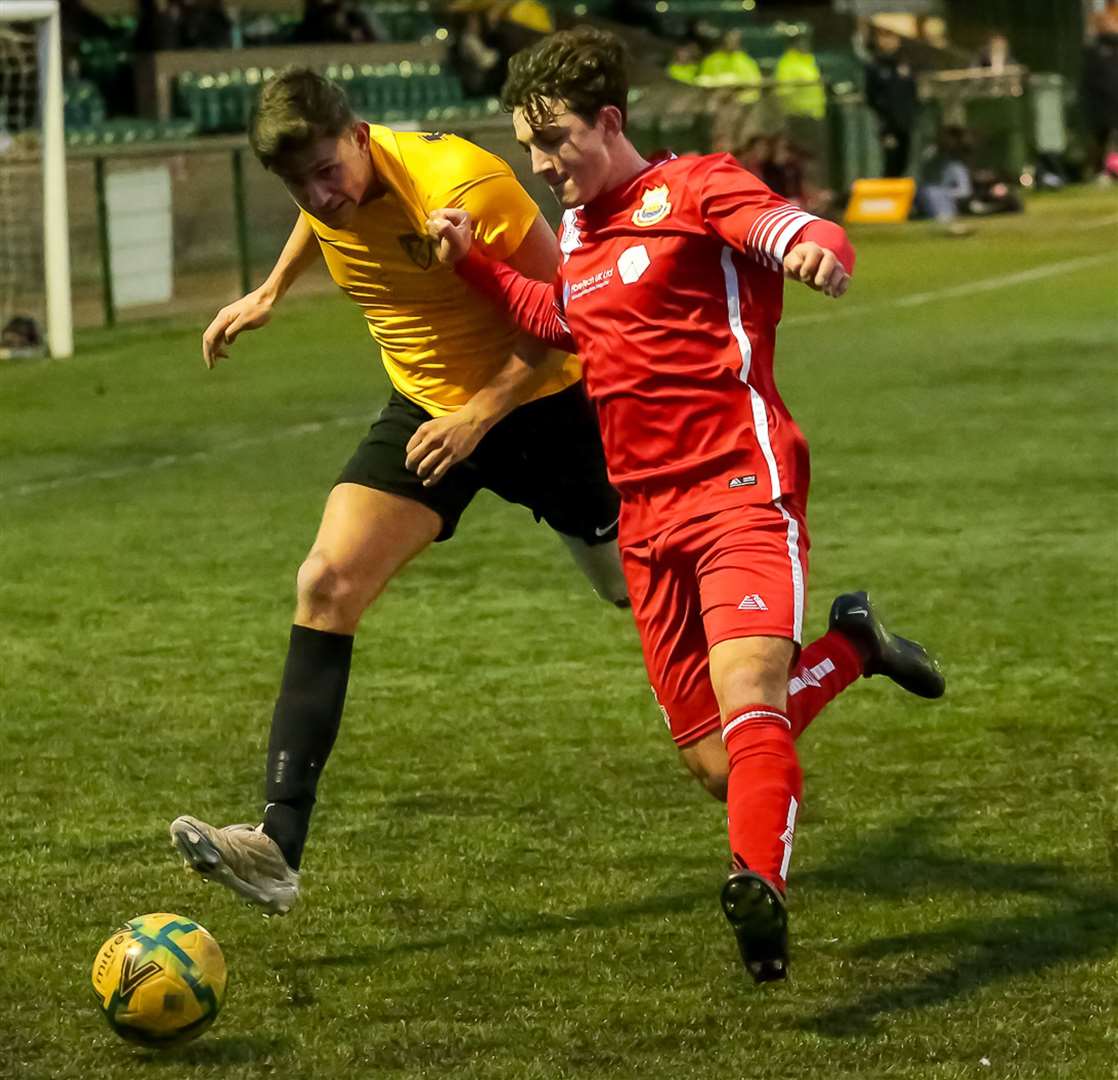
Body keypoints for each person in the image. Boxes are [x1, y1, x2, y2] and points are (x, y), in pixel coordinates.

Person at [426, 26, 945, 984]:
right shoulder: (579, 231)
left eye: (556, 144)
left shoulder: (698, 187)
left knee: (749, 700)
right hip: (646, 522)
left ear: (609, 122)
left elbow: (791, 229)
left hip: (741, 488)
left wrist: (820, 252)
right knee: (718, 763)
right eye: (529, 149)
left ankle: (761, 890)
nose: (542, 168)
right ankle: (853, 648)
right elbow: (564, 322)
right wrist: (472, 266)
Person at [168, 67, 632, 916]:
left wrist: (484, 412)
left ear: (358, 134)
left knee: (632, 593)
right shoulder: (326, 191)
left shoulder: (464, 185)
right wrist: (271, 291)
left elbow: (571, 312)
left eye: (325, 172)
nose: (318, 195)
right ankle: (276, 846)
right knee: (326, 583)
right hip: (425, 414)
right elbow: (329, 219)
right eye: (296, 183)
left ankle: (837, 649)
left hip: (543, 405)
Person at [863, 26, 918, 177]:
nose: (889, 42)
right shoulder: (874, 66)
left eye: (892, 38)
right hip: (887, 123)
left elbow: (912, 92)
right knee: (890, 158)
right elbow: (871, 96)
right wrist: (883, 117)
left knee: (904, 159)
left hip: (905, 121)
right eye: (884, 38)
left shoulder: (905, 65)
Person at [773, 34, 826, 121]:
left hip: (815, 114)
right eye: (801, 42)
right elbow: (782, 91)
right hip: (798, 115)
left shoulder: (808, 60)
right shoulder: (787, 63)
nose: (805, 45)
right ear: (793, 45)